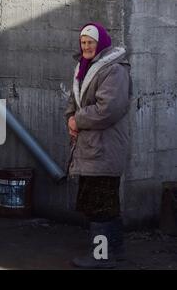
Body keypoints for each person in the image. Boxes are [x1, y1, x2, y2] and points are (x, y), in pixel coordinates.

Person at [64, 22, 132, 268]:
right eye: (83, 42)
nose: (86, 46)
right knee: (104, 202)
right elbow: (74, 100)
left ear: (101, 43)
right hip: (91, 146)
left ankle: (101, 256)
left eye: (90, 42)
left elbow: (108, 109)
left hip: (105, 146)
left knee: (100, 204)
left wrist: (77, 120)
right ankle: (116, 250)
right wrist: (70, 119)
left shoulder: (113, 70)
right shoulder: (83, 68)